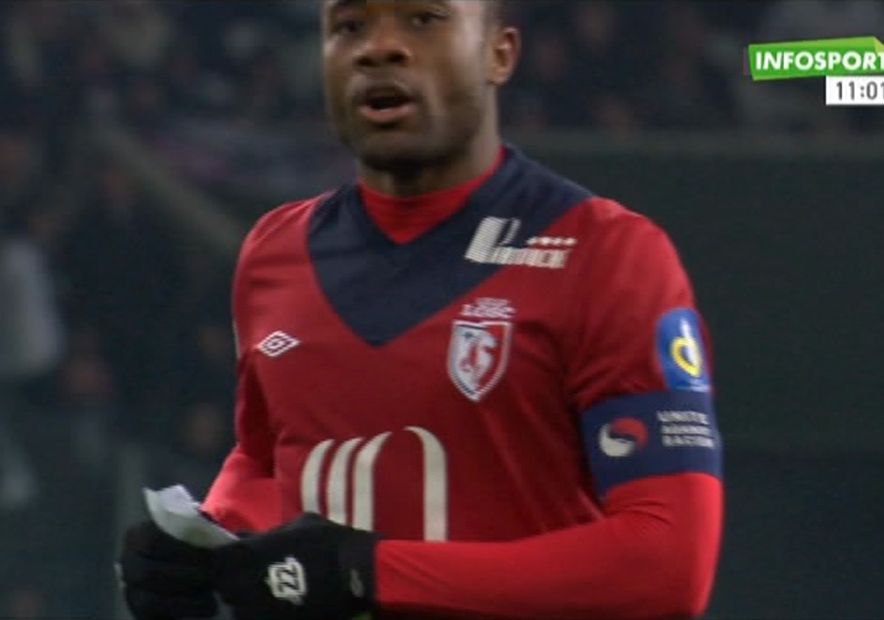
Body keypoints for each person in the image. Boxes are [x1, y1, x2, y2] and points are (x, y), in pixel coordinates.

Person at [119, 2, 723, 619]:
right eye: (349, 26)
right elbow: (268, 461)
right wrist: (207, 540)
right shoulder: (274, 253)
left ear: (499, 55)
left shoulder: (607, 254)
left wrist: (369, 573)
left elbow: (669, 566)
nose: (378, 47)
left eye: (424, 19)